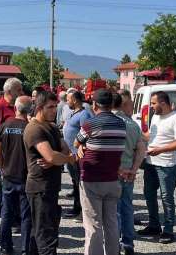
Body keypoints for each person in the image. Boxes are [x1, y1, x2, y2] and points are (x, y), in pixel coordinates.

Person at [75, 89, 126, 255]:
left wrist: (83, 146)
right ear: (111, 104)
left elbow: (77, 141)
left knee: (93, 225)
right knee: (111, 223)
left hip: (92, 180)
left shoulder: (90, 124)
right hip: (112, 179)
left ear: (94, 104)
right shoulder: (121, 124)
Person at [23, 90, 73, 255]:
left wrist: (57, 158)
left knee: (41, 231)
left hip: (50, 186)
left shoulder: (51, 127)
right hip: (39, 187)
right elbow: (52, 156)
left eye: (56, 106)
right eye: (50, 107)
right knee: (46, 235)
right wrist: (66, 159)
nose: (54, 110)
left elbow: (64, 150)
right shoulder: (34, 129)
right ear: (39, 107)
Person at [138, 91, 176, 244]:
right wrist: (135, 134)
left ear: (163, 103)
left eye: (153, 103)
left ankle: (168, 230)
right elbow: (150, 136)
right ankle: (154, 225)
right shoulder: (156, 117)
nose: (151, 107)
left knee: (166, 197)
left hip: (167, 165)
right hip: (151, 162)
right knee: (149, 194)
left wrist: (160, 150)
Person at [0, 96, 33, 255]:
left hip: (8, 176)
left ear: (16, 108)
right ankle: (25, 248)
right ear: (29, 110)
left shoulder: (5, 126)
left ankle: (5, 246)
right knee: (26, 216)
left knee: (6, 214)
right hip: (25, 177)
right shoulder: (30, 128)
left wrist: (2, 168)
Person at [112, 90, 147, 255]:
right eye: (131, 105)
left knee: (114, 211)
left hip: (112, 174)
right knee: (126, 208)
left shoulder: (108, 123)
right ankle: (128, 244)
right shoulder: (133, 125)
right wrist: (133, 170)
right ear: (124, 105)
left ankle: (114, 245)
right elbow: (141, 149)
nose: (133, 108)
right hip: (128, 174)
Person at [0, 78, 23, 187]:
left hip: (18, 156)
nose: (22, 92)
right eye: (19, 90)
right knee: (6, 187)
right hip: (5, 157)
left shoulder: (18, 107)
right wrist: (0, 151)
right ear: (9, 91)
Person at [61, 89, 93, 219]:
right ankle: (76, 207)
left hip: (77, 155)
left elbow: (87, 133)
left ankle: (80, 210)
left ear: (74, 100)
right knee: (75, 182)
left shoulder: (84, 114)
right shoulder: (74, 113)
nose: (67, 101)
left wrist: (80, 149)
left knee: (79, 183)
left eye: (68, 99)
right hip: (70, 155)